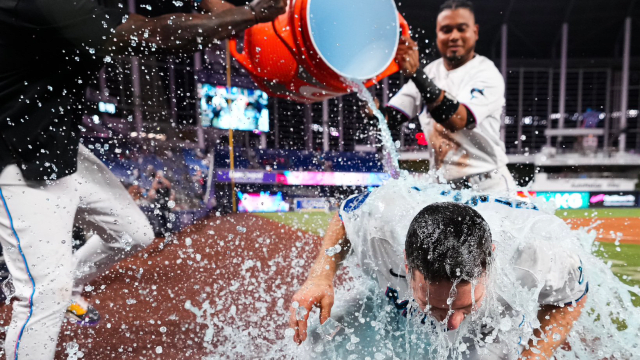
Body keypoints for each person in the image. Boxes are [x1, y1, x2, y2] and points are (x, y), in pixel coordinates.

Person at [0, 0, 286, 358]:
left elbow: (165, 16)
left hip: (57, 142)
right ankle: (46, 283)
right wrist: (252, 14)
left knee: (131, 234)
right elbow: (162, 34)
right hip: (17, 154)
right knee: (43, 297)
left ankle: (58, 279)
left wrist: (218, 9)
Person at [288, 181, 588, 359]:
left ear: (490, 263)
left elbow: (568, 299)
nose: (452, 323)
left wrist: (535, 355)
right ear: (406, 264)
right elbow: (345, 215)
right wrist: (320, 277)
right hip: (389, 303)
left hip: (488, 329)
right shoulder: (380, 219)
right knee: (318, 343)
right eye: (433, 305)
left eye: (465, 305)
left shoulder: (540, 251)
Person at [386, 0, 516, 193]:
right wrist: (360, 86)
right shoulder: (431, 71)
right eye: (446, 30)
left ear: (475, 31)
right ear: (437, 34)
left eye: (461, 29)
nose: (454, 36)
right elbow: (389, 118)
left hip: (487, 186)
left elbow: (456, 119)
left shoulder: (486, 73)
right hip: (443, 188)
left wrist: (416, 74)